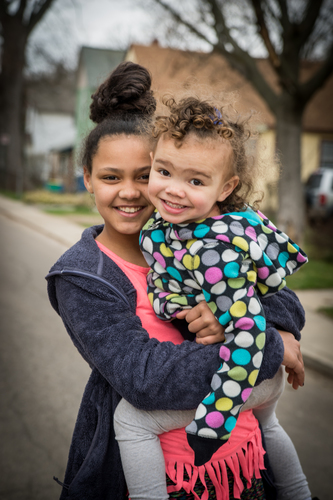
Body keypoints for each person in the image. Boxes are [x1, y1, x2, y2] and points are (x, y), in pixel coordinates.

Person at [46, 62, 308, 500]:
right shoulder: (83, 275)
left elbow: (282, 296)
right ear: (87, 178)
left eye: (145, 175)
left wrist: (237, 316)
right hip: (171, 482)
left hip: (247, 466)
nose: (130, 192)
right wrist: (274, 347)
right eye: (111, 177)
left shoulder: (191, 234)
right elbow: (144, 379)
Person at [113, 94, 311, 500]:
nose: (173, 190)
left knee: (130, 418)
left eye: (196, 181)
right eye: (164, 171)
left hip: (247, 371)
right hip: (255, 373)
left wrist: (213, 421)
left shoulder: (215, 251)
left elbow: (248, 332)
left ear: (227, 188)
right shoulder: (171, 224)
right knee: (270, 424)